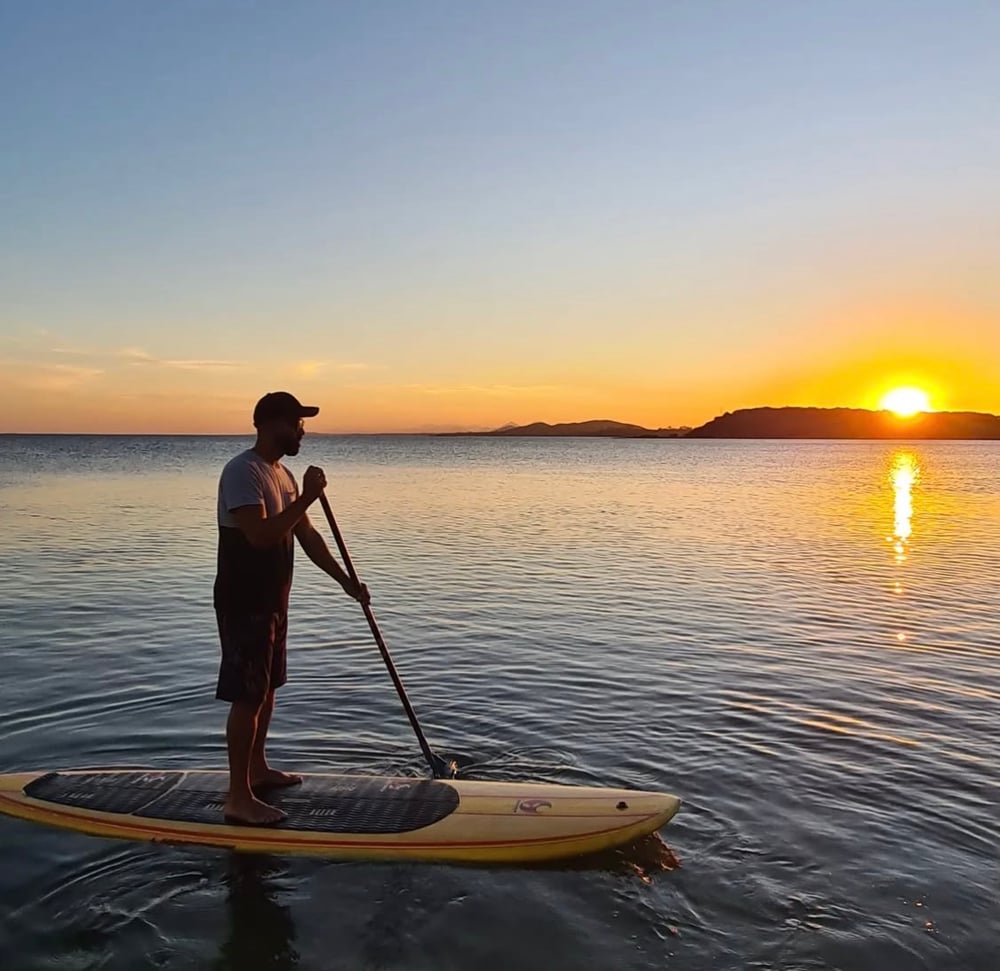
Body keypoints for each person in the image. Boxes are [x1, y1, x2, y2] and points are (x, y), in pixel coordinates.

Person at [213, 391, 369, 826]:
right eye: (297, 422)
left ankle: (257, 770)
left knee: (267, 688)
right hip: (243, 598)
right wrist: (309, 496)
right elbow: (260, 536)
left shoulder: (281, 476)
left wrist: (347, 583)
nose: (303, 430)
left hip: (273, 599)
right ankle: (237, 798)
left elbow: (307, 536)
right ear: (272, 424)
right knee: (248, 694)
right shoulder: (243, 472)